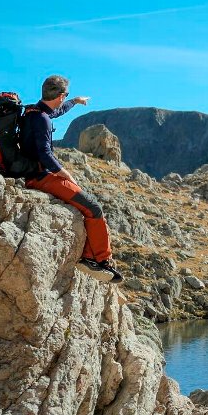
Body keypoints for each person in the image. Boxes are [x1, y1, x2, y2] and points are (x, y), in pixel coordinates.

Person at [23, 74, 123, 284]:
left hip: (35, 173)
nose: (64, 99)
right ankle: (98, 260)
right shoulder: (41, 119)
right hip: (39, 177)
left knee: (88, 206)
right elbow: (44, 154)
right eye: (65, 95)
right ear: (59, 95)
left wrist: (75, 101)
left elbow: (57, 111)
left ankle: (95, 258)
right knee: (94, 208)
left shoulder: (34, 111)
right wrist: (66, 175)